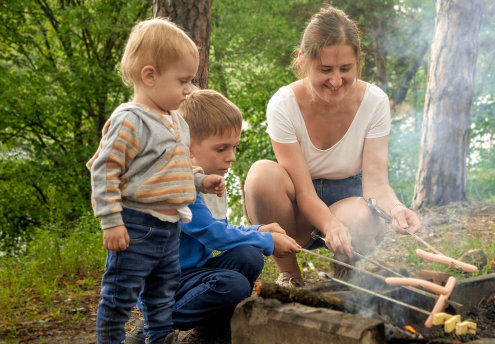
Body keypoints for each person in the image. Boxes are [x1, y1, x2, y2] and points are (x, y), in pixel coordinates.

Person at [243, 6, 421, 288]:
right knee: (261, 176)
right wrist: (329, 225)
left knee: (361, 215)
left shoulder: (374, 102)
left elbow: (375, 182)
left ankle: (348, 273)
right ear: (303, 61)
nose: (336, 81)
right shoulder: (283, 105)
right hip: (298, 208)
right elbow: (303, 191)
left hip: (350, 203)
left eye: (346, 69)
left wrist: (397, 208)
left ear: (357, 62)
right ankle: (290, 275)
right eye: (325, 69)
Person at [125, 89, 301, 344]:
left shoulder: (211, 179)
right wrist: (269, 242)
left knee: (248, 256)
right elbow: (213, 234)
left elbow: (223, 232)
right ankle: (150, 327)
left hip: (191, 273)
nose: (231, 156)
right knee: (233, 285)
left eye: (234, 147)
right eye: (221, 148)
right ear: (189, 147)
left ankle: (209, 329)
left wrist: (258, 231)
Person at [87, 18, 225, 344]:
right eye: (183, 80)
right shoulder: (129, 121)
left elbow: (173, 170)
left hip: (169, 226)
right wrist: (111, 221)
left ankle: (160, 339)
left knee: (161, 294)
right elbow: (104, 170)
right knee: (120, 292)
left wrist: (200, 182)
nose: (189, 89)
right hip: (135, 225)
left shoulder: (177, 122)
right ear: (150, 75)